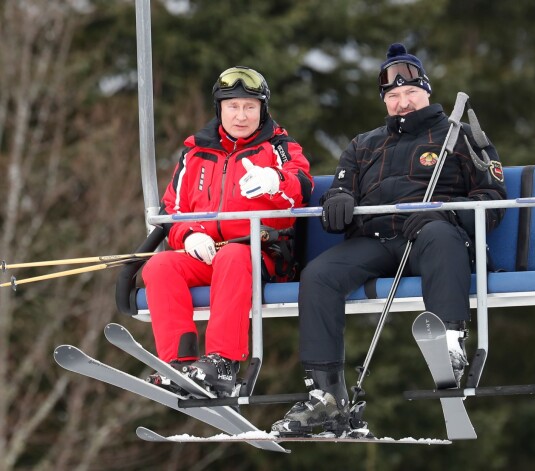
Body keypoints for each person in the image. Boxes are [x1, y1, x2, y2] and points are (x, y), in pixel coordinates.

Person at [272, 43, 506, 436]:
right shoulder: (363, 145)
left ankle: (449, 343)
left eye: (410, 93)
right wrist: (339, 201)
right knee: (319, 274)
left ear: (427, 93)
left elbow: (493, 199)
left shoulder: (459, 136)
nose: (402, 102)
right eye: (393, 96)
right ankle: (325, 396)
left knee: (439, 237)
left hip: (434, 236)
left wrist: (445, 212)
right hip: (377, 239)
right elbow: (339, 191)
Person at [142, 66, 313, 398]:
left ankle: (223, 363)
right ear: (219, 109)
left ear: (262, 110)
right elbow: (172, 210)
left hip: (260, 254)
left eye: (250, 107)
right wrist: (190, 235)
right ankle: (179, 363)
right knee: (160, 266)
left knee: (234, 256)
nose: (241, 116)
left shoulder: (278, 147)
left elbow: (300, 190)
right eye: (233, 106)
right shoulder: (195, 153)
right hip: (207, 253)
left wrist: (274, 181)